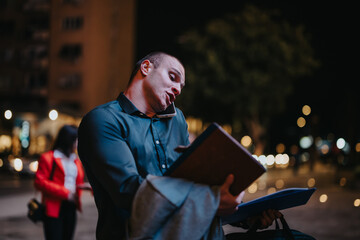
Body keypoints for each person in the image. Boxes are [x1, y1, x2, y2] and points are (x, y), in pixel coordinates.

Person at [78, 52, 281, 239]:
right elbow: (128, 191)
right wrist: (212, 200)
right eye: (173, 77)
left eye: (181, 87)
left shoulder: (177, 120)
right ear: (146, 68)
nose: (177, 89)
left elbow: (194, 183)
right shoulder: (103, 120)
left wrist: (245, 216)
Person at [35, 125, 85, 240]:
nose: (78, 143)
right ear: (68, 140)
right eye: (76, 139)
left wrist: (84, 187)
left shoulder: (75, 160)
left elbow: (74, 182)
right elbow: (40, 182)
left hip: (71, 206)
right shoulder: (48, 158)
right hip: (53, 207)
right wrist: (66, 193)